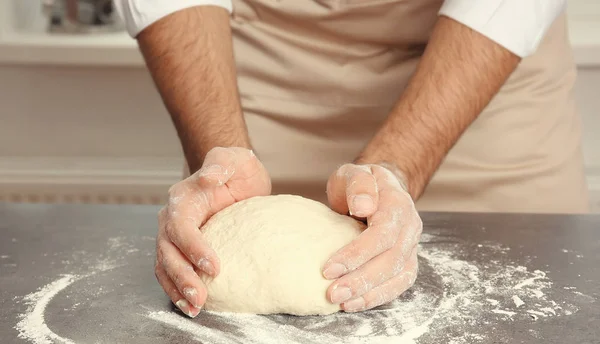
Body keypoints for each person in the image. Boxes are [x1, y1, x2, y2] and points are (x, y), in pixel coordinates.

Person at [116, 0, 589, 318]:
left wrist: (398, 166)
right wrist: (218, 159)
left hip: (479, 80)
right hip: (253, 68)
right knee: (222, 256)